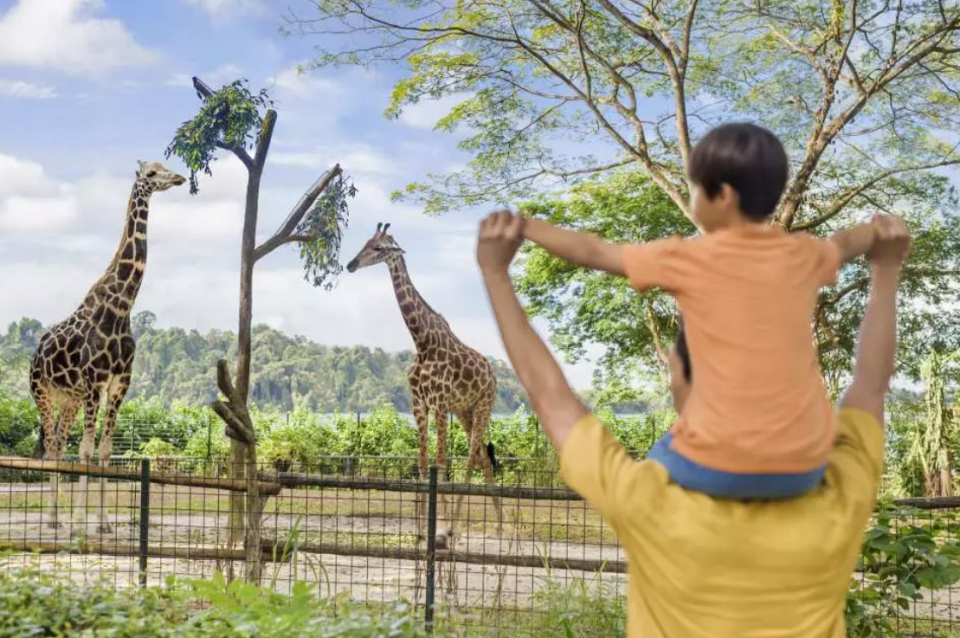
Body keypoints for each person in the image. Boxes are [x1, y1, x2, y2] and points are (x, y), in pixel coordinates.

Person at [476, 208, 911, 637]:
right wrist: (886, 269)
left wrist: (496, 274)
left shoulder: (650, 500)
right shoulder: (837, 493)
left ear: (680, 376)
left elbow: (551, 398)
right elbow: (870, 385)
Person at [519, 122, 881, 499]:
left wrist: (527, 226)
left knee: (650, 470)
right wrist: (879, 229)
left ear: (722, 195)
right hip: (805, 465)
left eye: (693, 188)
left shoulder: (688, 257)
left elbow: (594, 252)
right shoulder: (804, 254)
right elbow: (847, 242)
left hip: (719, 466)